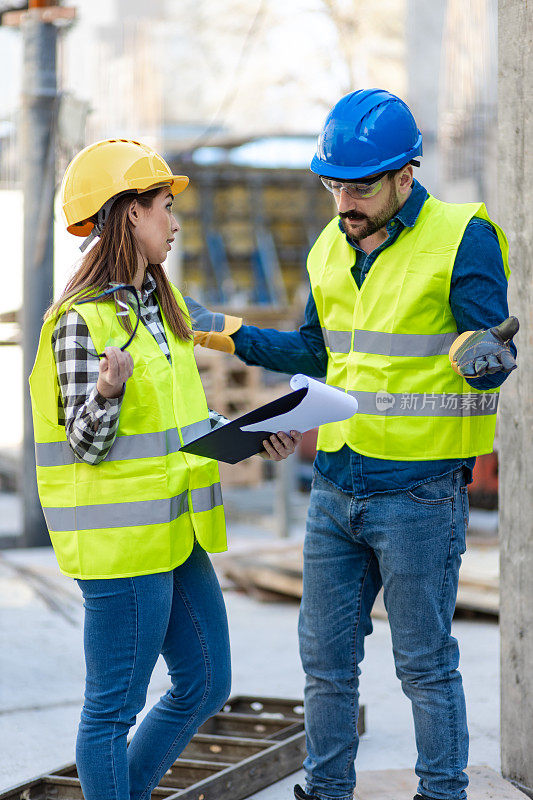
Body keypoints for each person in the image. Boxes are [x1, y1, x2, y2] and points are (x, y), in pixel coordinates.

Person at [185, 89, 518, 800]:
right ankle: (325, 790)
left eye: (359, 186)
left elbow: (486, 341)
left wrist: (482, 354)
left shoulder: (463, 235)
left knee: (423, 666)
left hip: (419, 493)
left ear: (406, 174)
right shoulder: (326, 250)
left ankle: (441, 793)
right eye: (332, 184)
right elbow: (315, 350)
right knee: (326, 666)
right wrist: (224, 330)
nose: (343, 201)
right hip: (336, 487)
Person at [28, 138, 301, 800]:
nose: (174, 223)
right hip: (121, 551)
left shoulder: (161, 313)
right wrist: (106, 394)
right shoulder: (79, 323)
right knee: (111, 713)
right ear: (130, 215)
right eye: (164, 206)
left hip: (174, 534)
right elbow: (84, 445)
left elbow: (180, 430)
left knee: (207, 682)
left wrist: (246, 436)